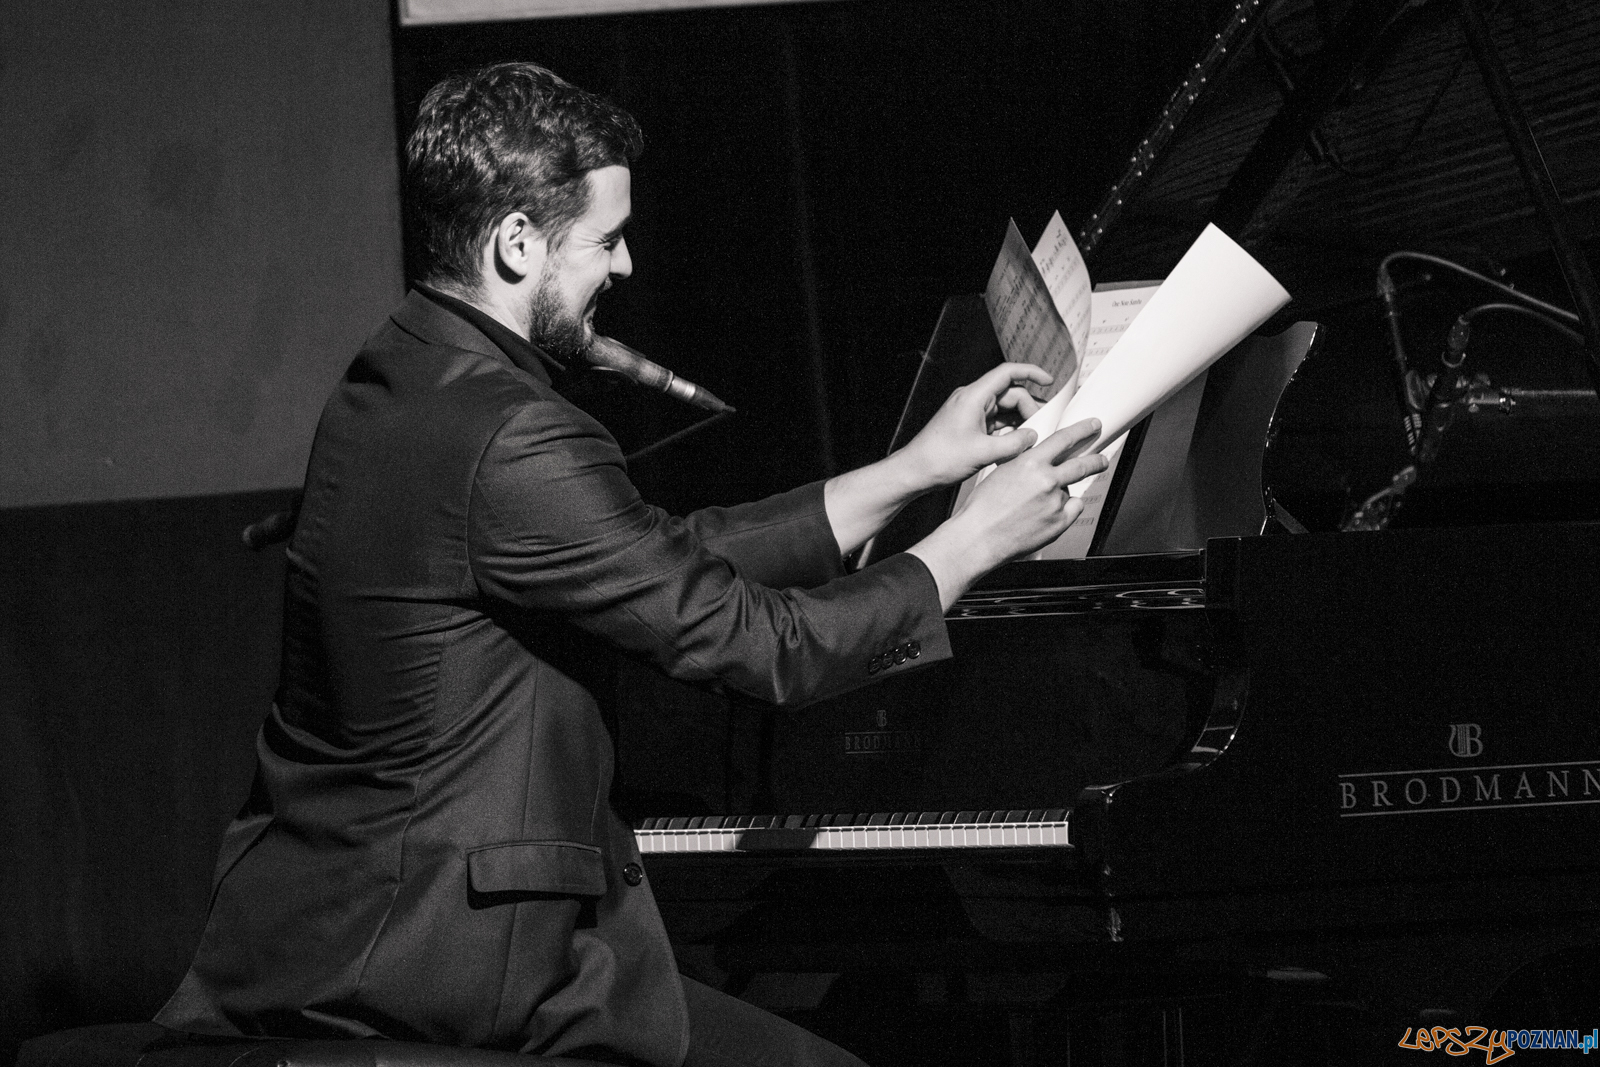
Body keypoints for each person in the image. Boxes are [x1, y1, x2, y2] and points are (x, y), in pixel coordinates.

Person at [156, 62, 1104, 1067]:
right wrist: (972, 539)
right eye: (605, 239)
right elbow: (767, 647)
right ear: (517, 241)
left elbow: (659, 557)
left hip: (341, 927)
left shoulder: (401, 374)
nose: (627, 264)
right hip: (440, 961)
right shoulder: (511, 431)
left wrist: (914, 469)